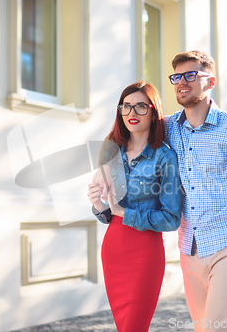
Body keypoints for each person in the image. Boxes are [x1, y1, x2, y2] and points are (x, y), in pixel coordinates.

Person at [95, 51, 227, 332]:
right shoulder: (167, 128)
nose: (182, 82)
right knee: (203, 328)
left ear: (210, 82)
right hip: (190, 248)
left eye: (191, 75)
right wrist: (102, 176)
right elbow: (133, 131)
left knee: (218, 328)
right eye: (177, 76)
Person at [87, 81, 182, 332]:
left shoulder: (165, 157)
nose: (132, 113)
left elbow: (172, 218)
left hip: (145, 252)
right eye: (126, 107)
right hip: (113, 248)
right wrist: (97, 203)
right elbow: (109, 216)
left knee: (134, 327)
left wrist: (123, 212)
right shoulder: (111, 151)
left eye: (140, 106)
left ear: (153, 111)